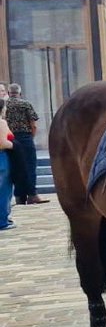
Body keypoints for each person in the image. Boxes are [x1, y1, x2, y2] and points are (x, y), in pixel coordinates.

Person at [5, 84, 46, 205]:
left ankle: (19, 196)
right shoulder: (25, 104)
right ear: (20, 93)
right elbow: (33, 124)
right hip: (25, 137)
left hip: (10, 138)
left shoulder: (5, 105)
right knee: (30, 166)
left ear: (9, 93)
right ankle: (32, 194)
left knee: (16, 167)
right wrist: (31, 136)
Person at [0, 97, 13, 229]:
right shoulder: (2, 123)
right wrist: (14, 145)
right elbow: (3, 143)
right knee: (4, 190)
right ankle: (2, 220)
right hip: (2, 157)